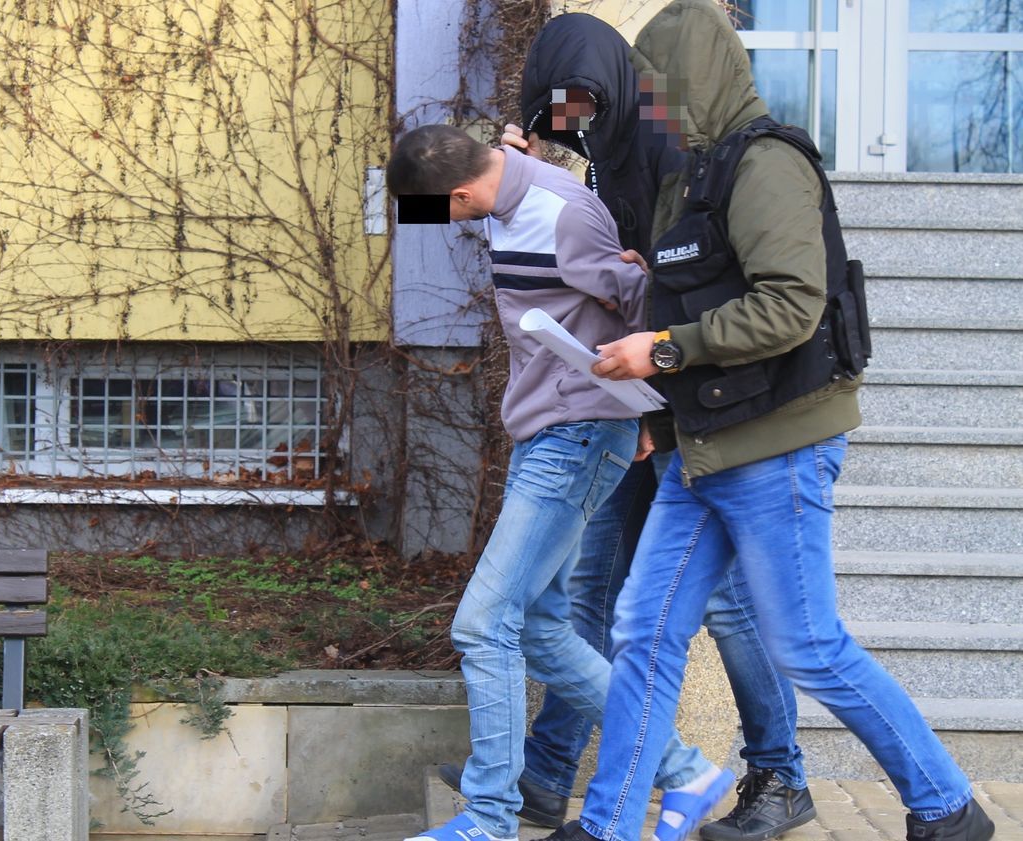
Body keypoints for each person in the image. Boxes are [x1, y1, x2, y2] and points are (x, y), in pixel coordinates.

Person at [560, 3, 996, 841]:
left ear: (699, 77)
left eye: (658, 87)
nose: (650, 106)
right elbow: (702, 292)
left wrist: (663, 351)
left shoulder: (767, 163)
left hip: (779, 445)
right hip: (704, 449)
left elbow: (791, 306)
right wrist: (657, 372)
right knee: (644, 632)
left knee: (808, 645)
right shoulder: (693, 176)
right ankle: (608, 824)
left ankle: (947, 807)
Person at [439, 14, 818, 841]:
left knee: (722, 600)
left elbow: (692, 287)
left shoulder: (676, 150)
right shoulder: (601, 155)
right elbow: (570, 255)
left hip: (689, 397)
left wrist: (661, 394)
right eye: (554, 107)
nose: (568, 118)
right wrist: (516, 164)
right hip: (627, 399)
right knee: (586, 591)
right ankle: (548, 773)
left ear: (617, 86)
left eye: (579, 103)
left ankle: (780, 773)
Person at [385, 124, 733, 841]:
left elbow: (646, 308)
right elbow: (491, 192)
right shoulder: (504, 195)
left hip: (576, 435)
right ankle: (686, 769)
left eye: (440, 210)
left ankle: (489, 818)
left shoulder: (561, 211)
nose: (438, 224)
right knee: (542, 630)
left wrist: (645, 411)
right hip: (548, 429)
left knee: (482, 623)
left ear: (462, 194)